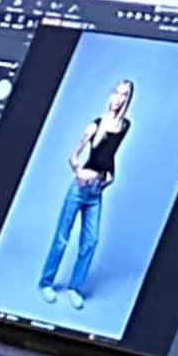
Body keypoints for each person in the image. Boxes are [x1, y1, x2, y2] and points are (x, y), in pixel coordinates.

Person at [40, 78, 135, 300]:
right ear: (111, 95)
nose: (119, 98)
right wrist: (79, 172)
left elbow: (109, 154)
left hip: (97, 192)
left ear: (128, 99)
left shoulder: (124, 126)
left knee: (90, 241)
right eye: (117, 92)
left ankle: (75, 288)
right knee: (62, 237)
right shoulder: (95, 124)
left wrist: (111, 175)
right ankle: (47, 283)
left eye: (124, 95)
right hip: (80, 189)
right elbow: (73, 157)